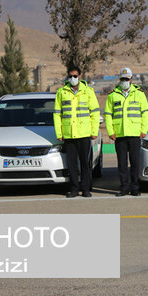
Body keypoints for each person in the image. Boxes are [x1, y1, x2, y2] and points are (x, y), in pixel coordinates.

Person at [54, 65, 100, 198]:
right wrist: (59, 133)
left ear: (80, 76)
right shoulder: (62, 92)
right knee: (72, 164)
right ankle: (74, 189)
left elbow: (95, 113)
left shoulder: (88, 92)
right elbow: (57, 114)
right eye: (70, 76)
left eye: (75, 76)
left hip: (84, 134)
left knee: (85, 163)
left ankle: (86, 189)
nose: (73, 78)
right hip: (69, 134)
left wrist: (94, 131)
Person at [105, 68, 148, 196]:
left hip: (135, 133)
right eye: (122, 79)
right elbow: (108, 115)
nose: (125, 81)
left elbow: (145, 113)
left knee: (135, 162)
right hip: (119, 134)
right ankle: (124, 187)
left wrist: (143, 130)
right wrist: (110, 131)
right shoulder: (113, 95)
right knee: (122, 163)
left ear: (131, 79)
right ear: (120, 80)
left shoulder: (139, 94)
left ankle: (135, 187)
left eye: (127, 79)